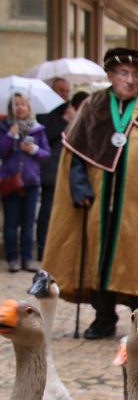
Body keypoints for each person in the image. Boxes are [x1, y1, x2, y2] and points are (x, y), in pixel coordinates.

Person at [42, 47, 138, 339]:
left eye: (135, 74)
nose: (130, 80)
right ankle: (103, 317)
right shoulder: (93, 106)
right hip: (98, 201)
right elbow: (76, 154)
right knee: (99, 258)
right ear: (110, 75)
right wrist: (80, 188)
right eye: (123, 73)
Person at [0, 93, 50, 272]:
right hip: (10, 181)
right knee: (11, 223)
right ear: (10, 108)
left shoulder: (37, 129)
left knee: (29, 223)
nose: (20, 108)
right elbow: (2, 151)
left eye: (23, 104)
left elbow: (46, 154)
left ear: (29, 108)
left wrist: (33, 149)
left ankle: (27, 259)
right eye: (16, 105)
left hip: (31, 181)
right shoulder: (4, 127)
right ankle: (12, 258)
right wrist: (10, 137)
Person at [36, 77, 72, 261]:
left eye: (67, 90)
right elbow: (47, 136)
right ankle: (43, 247)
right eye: (61, 90)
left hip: (64, 168)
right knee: (47, 210)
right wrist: (64, 122)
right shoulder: (45, 112)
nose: (64, 94)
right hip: (49, 168)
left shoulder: (67, 111)